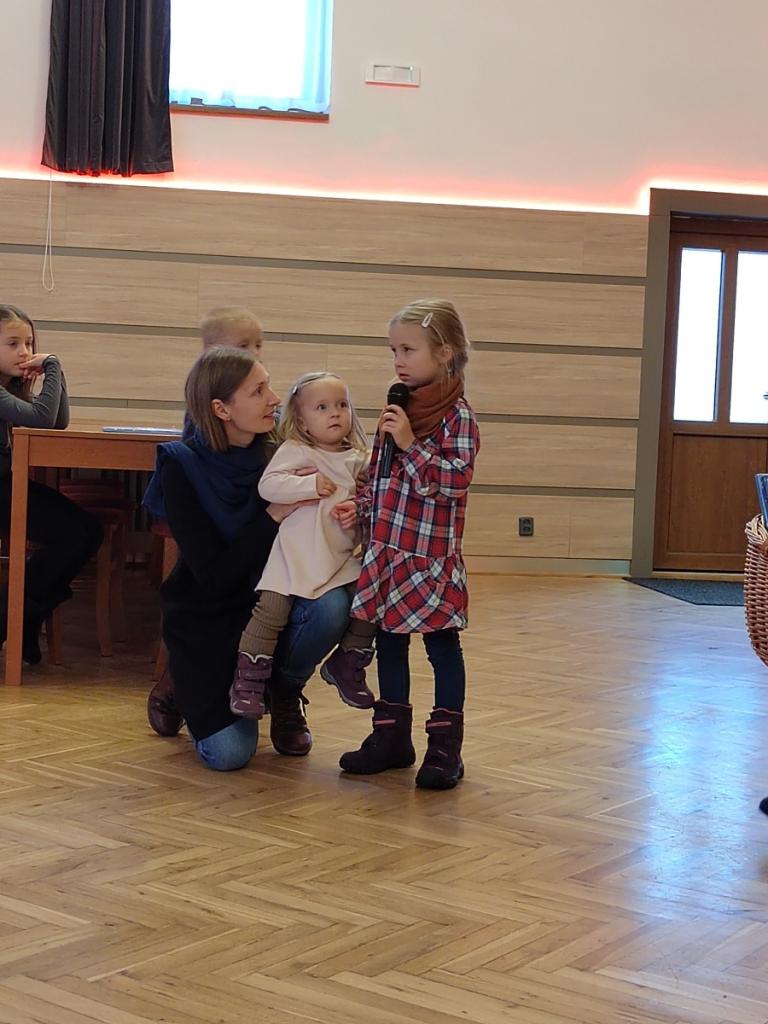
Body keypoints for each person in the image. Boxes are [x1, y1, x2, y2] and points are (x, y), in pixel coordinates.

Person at [143, 347, 350, 771]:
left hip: (272, 601)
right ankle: (179, 683)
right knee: (229, 754)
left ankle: (285, 688)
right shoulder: (182, 466)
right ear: (221, 409)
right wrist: (273, 515)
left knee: (332, 605)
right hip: (209, 615)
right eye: (258, 391)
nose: (275, 398)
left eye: (269, 386)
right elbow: (214, 578)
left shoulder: (284, 453)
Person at [333, 299, 480, 790]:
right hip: (388, 553)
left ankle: (445, 747)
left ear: (445, 352)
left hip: (429, 559)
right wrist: (361, 506)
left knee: (442, 646)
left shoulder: (457, 417)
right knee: (389, 642)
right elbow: (380, 476)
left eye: (408, 350)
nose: (398, 360)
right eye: (393, 350)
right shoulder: (397, 409)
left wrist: (412, 444)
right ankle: (392, 736)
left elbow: (454, 481)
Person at [231, 371, 375, 718]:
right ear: (303, 422)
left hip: (337, 558)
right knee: (270, 612)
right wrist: (309, 486)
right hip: (293, 558)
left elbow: (379, 492)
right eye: (322, 407)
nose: (335, 413)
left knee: (373, 596)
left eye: (342, 405)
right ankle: (249, 681)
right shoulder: (297, 451)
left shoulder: (359, 457)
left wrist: (358, 508)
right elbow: (269, 486)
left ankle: (348, 660)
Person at [148, 305, 264, 732]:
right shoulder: (201, 407)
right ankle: (173, 679)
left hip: (249, 522)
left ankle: (271, 688)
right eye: (243, 346)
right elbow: (194, 469)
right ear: (210, 352)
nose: (253, 354)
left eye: (258, 345)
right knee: (197, 582)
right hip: (207, 518)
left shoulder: (260, 405)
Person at [0, 305, 102, 664]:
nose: (24, 351)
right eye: (13, 343)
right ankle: (12, 617)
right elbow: (43, 418)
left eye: (29, 343)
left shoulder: (10, 389)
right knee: (74, 535)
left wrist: (55, 374)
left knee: (88, 532)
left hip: (6, 485)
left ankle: (22, 618)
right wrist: (53, 365)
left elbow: (57, 422)